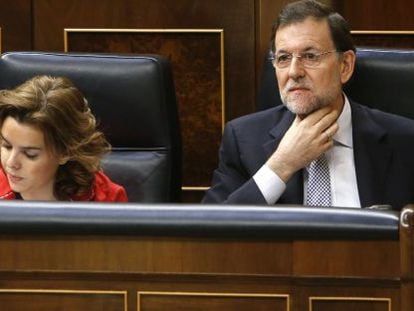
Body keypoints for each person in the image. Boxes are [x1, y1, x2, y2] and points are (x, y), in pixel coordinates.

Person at [203, 0, 414, 210]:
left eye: (310, 56)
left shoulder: (405, 140)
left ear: (345, 66)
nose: (294, 72)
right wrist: (281, 165)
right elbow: (210, 234)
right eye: (284, 58)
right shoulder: (242, 140)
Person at [0, 75, 128, 202]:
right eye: (7, 146)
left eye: (30, 154)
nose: (11, 163)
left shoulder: (106, 200)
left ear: (65, 152)